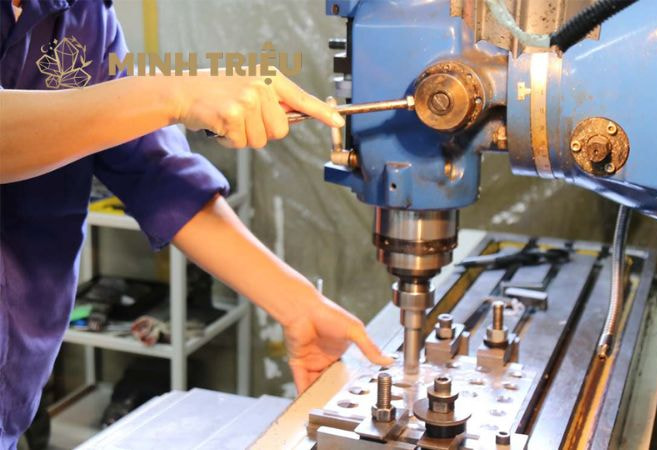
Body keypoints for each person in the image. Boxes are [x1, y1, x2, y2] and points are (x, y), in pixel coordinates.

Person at [0, 0, 392, 447]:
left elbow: (154, 171)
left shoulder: (84, 14)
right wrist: (177, 95)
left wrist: (299, 305)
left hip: (19, 377)